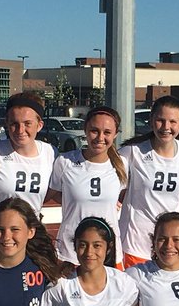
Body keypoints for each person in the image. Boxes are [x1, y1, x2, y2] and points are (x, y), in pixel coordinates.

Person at [0, 92, 56, 249]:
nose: (20, 130)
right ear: (7, 124)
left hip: (28, 239)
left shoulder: (50, 153)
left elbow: (58, 190)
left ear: (40, 125)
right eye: (14, 124)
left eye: (27, 123)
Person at [46, 106, 127, 265]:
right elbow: (52, 193)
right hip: (70, 252)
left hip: (107, 252)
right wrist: (73, 200)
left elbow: (124, 195)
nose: (100, 137)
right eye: (94, 131)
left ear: (115, 134)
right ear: (85, 130)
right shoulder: (65, 162)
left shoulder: (122, 165)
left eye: (107, 132)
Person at [118, 95, 179, 267]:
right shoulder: (132, 152)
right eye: (160, 120)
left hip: (169, 246)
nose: (166, 127)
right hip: (135, 244)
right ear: (151, 121)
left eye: (172, 122)